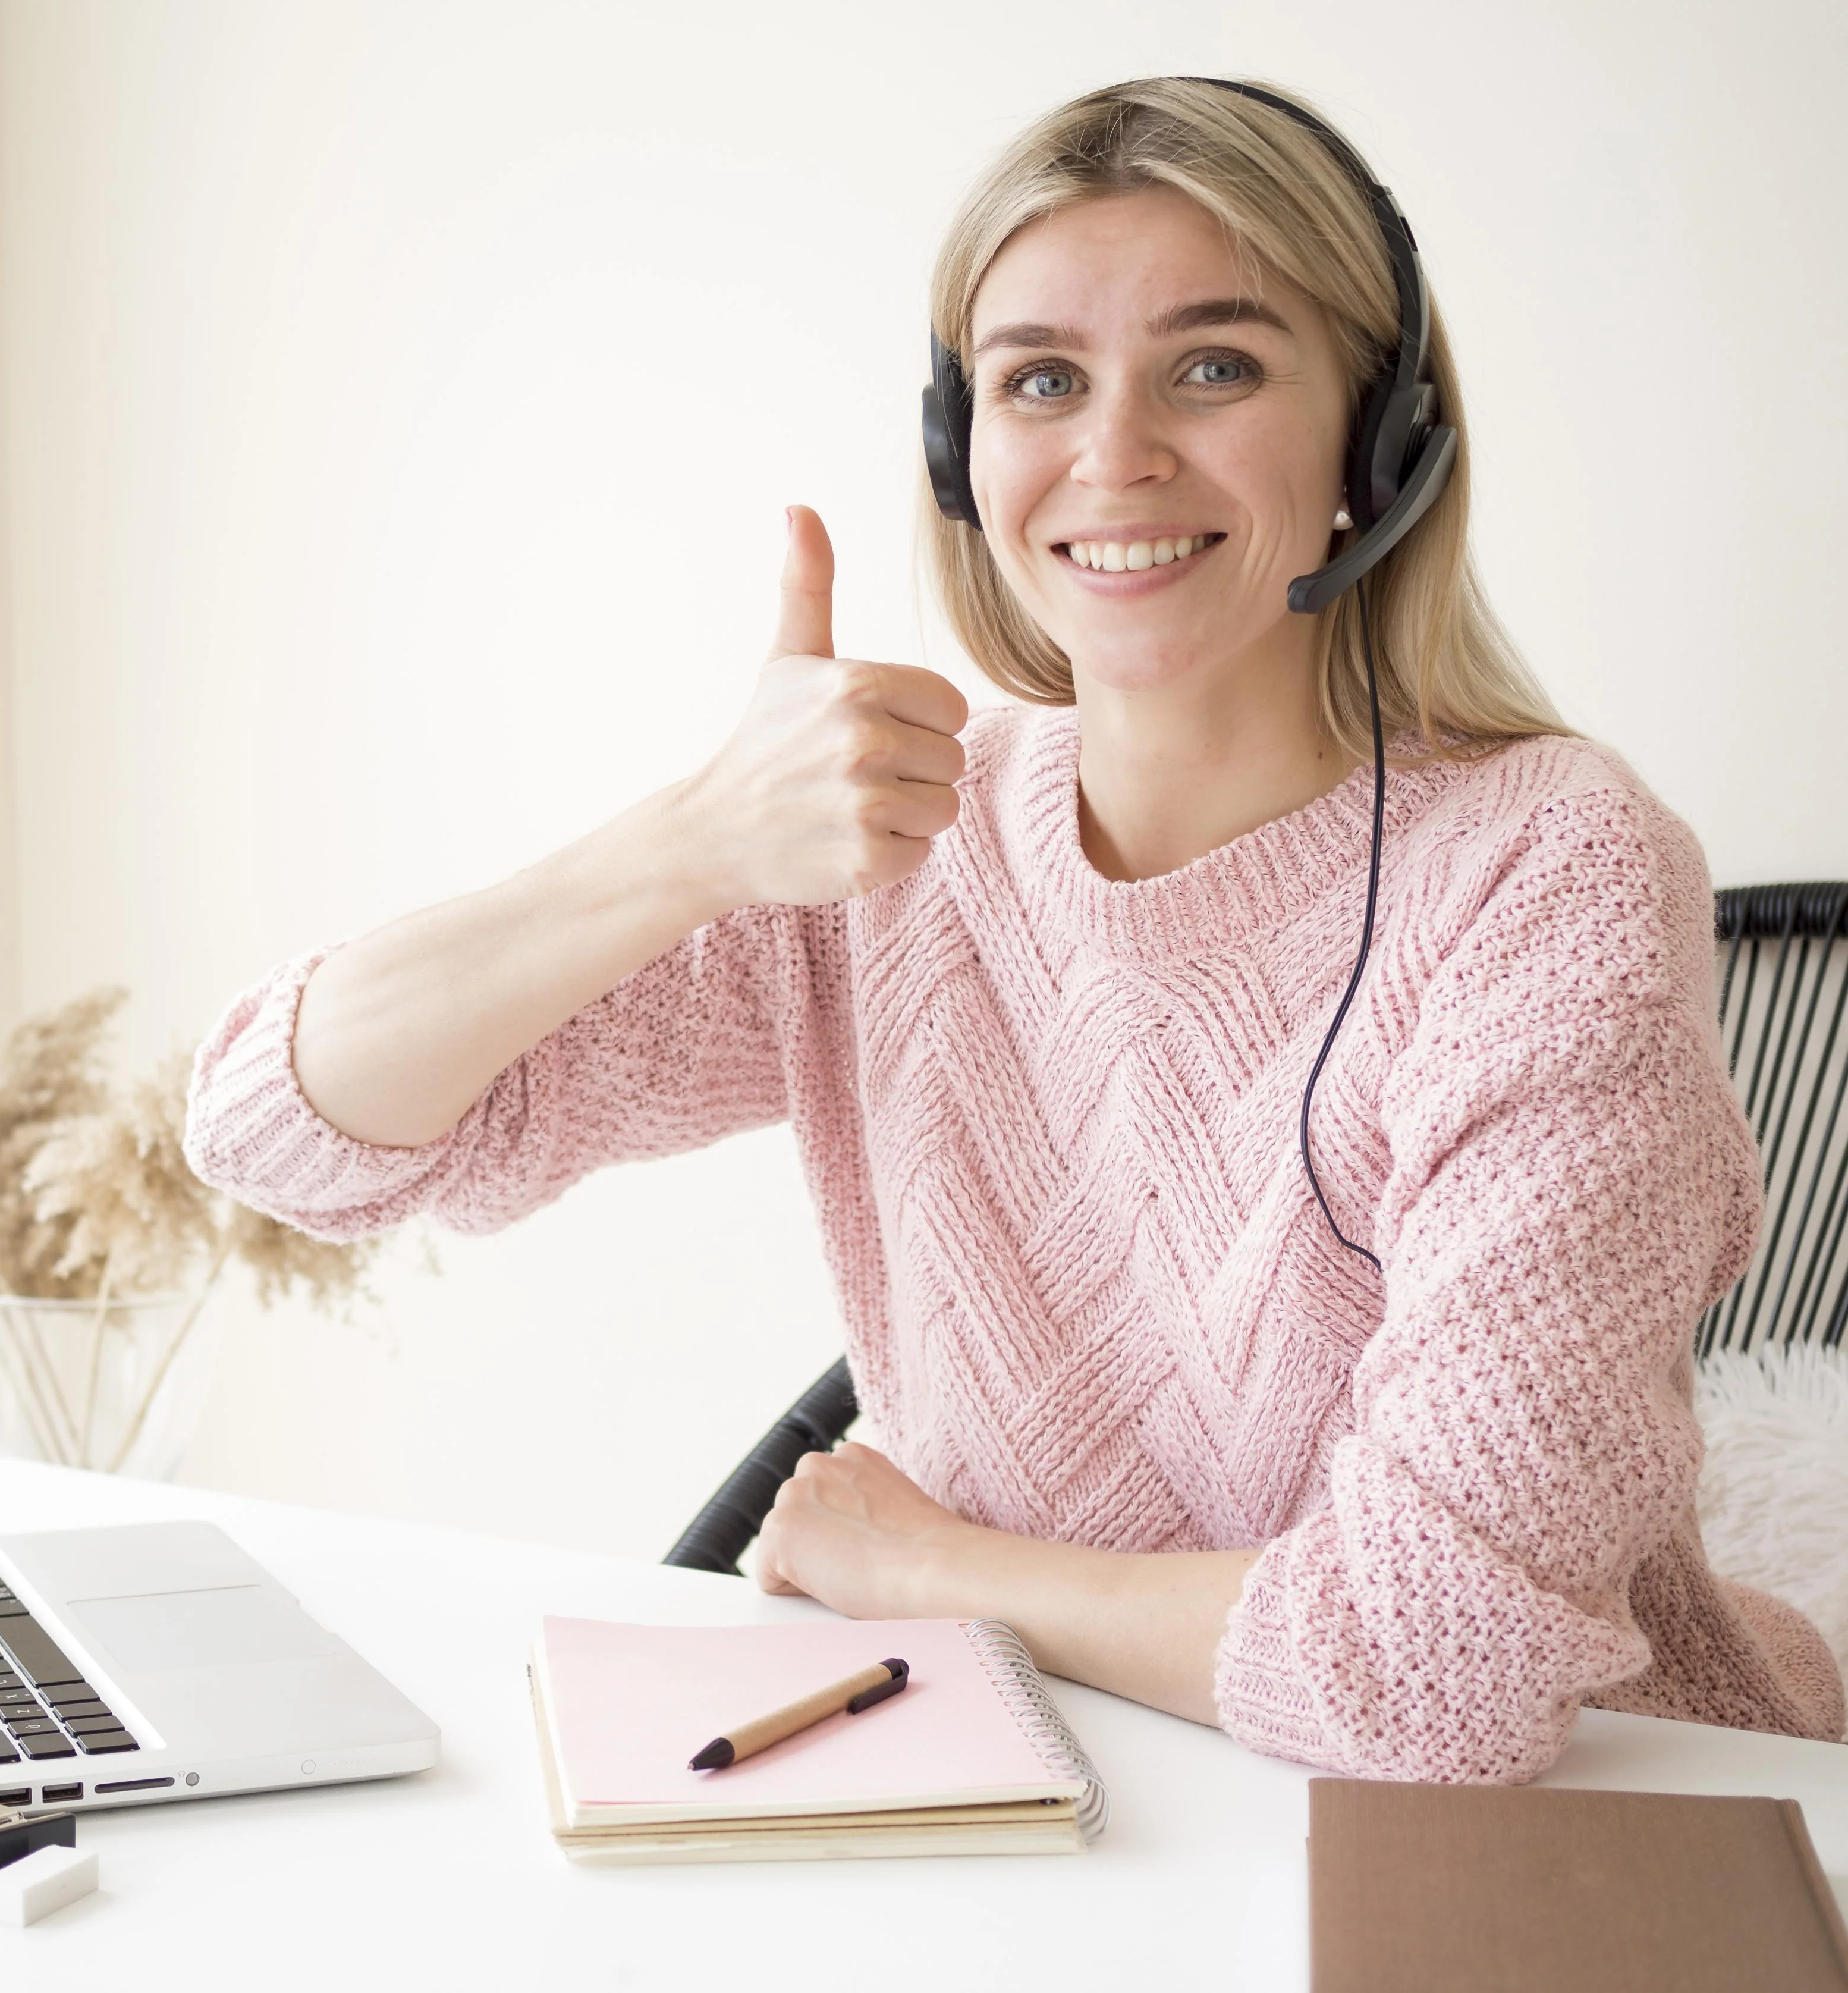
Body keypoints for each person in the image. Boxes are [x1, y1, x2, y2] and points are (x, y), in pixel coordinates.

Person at [182, 77, 1844, 1781]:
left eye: (1214, 365)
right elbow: (276, 1130)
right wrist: (688, 841)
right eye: (1038, 379)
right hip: (1041, 1798)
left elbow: (1435, 1667)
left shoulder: (1547, 869)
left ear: (1378, 436)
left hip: (1583, 1834)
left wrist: (934, 1572)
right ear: (957, 452)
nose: (1112, 453)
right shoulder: (898, 834)